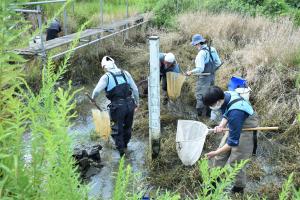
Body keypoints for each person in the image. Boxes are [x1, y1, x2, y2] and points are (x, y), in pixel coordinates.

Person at [203, 86, 259, 194]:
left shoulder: (235, 113)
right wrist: (221, 125)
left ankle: (239, 188)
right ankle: (214, 179)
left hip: (247, 128)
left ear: (219, 101)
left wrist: (215, 152)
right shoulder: (225, 95)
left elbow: (232, 143)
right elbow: (226, 112)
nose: (211, 107)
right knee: (220, 156)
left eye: (211, 105)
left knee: (236, 162)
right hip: (236, 124)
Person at [91, 56, 139, 156]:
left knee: (117, 129)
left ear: (104, 67)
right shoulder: (125, 73)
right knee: (128, 127)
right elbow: (135, 90)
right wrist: (137, 104)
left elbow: (96, 91)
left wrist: (93, 99)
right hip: (130, 104)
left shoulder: (106, 77)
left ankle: (122, 153)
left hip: (118, 107)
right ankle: (125, 146)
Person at [186, 34, 222, 117]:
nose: (195, 46)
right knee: (210, 94)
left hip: (203, 78)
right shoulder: (212, 49)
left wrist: (190, 72)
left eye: (195, 45)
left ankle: (199, 115)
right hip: (212, 76)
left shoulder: (201, 54)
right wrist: (212, 70)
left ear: (198, 44)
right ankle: (208, 114)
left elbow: (200, 69)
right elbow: (218, 63)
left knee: (200, 95)